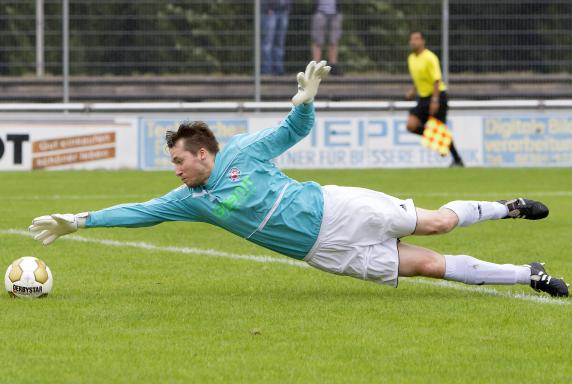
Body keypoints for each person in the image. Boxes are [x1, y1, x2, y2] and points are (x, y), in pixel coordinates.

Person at [28, 61, 568, 298]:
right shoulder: (190, 200)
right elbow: (140, 212)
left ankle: (506, 207)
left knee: (438, 225)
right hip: (325, 252)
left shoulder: (243, 150)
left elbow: (293, 128)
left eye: (178, 161)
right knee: (427, 266)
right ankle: (528, 274)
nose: (174, 170)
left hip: (338, 209)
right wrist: (80, 220)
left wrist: (306, 101)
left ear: (201, 153)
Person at [406, 31, 464, 167]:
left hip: (437, 96)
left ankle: (457, 160)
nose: (413, 42)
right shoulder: (411, 58)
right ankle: (438, 142)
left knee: (441, 131)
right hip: (423, 97)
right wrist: (413, 91)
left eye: (416, 39)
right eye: (411, 39)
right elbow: (419, 78)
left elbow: (436, 79)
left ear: (423, 41)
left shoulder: (430, 57)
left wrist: (435, 100)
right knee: (411, 125)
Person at [311, 0, 342, 76]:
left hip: (335, 13)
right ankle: (316, 68)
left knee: (334, 41)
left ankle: (333, 67)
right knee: (318, 41)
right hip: (320, 12)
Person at [261, 0, 292, 75]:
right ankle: (267, 70)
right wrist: (267, 8)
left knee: (280, 43)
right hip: (270, 11)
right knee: (268, 42)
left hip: (283, 11)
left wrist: (287, 8)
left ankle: (279, 69)